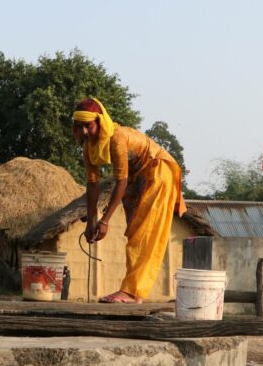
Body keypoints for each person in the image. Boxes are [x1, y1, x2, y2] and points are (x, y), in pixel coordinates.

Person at [72, 98, 187, 303]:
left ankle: (132, 292)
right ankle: (132, 292)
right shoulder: (88, 148)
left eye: (88, 126)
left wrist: (105, 221)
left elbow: (120, 182)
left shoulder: (117, 138)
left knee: (144, 233)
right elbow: (92, 185)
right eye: (79, 127)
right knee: (134, 231)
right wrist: (90, 221)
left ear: (99, 122)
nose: (84, 132)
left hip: (157, 171)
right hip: (138, 177)